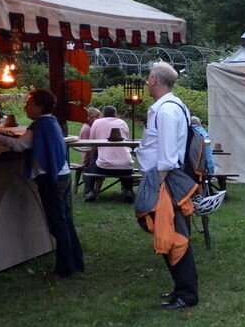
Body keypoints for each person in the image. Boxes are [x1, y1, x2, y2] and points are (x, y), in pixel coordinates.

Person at [0, 89, 84, 278]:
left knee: (58, 223)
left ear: (39, 107)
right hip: (62, 175)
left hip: (50, 179)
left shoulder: (39, 125)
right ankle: (76, 261)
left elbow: (19, 145)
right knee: (66, 221)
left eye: (29, 103)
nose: (25, 106)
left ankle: (64, 269)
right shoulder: (52, 122)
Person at [135, 61, 200, 310]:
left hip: (165, 178)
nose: (147, 82)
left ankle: (187, 294)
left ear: (153, 80)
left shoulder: (167, 111)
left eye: (148, 78)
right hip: (163, 177)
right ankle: (180, 290)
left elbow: (168, 155)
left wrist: (155, 187)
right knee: (168, 233)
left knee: (174, 236)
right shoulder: (169, 107)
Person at [82, 105, 135, 203]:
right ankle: (128, 190)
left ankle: (89, 191)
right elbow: (126, 143)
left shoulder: (97, 123)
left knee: (88, 169)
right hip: (126, 167)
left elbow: (92, 145)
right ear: (115, 115)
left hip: (104, 167)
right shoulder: (122, 123)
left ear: (102, 114)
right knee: (123, 163)